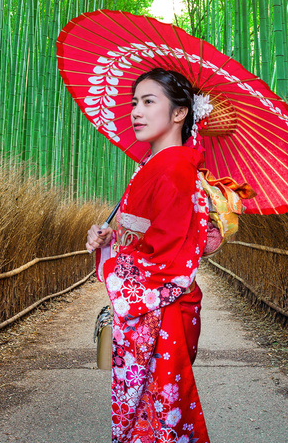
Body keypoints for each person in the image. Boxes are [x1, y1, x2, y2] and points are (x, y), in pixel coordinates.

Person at [86, 67, 211, 443]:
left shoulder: (173, 168)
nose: (135, 112)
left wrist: (113, 262)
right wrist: (109, 237)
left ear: (179, 113)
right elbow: (142, 238)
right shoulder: (152, 166)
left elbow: (167, 257)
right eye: (134, 103)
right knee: (153, 418)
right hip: (153, 307)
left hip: (162, 308)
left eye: (148, 101)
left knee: (159, 419)